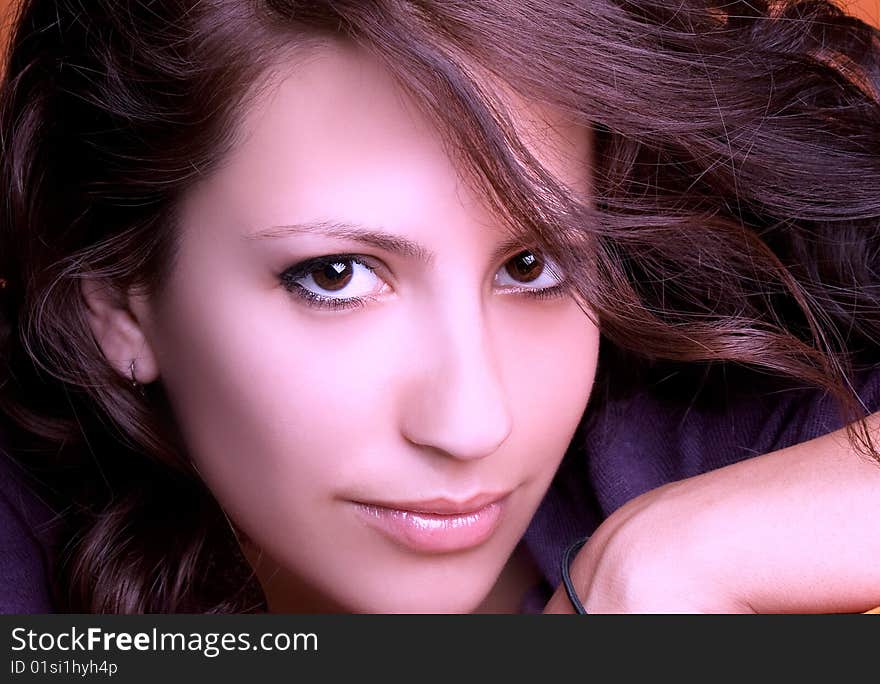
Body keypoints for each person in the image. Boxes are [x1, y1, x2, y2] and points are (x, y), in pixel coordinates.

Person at [1, 0, 879, 613]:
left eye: (532, 265)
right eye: (337, 276)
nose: (471, 424)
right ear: (117, 302)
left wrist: (677, 558)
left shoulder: (684, 421)